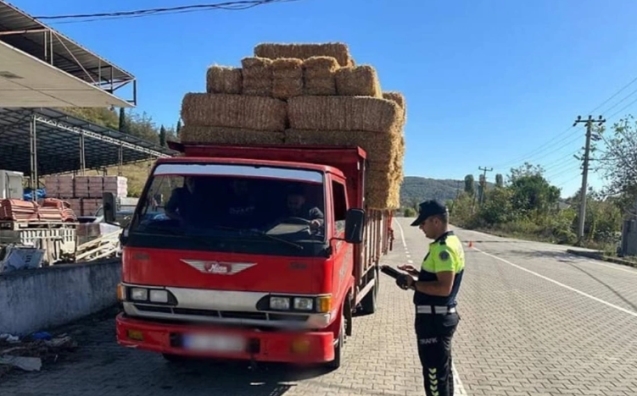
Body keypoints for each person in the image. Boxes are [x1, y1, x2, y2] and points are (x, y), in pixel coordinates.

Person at [395, 200, 465, 396]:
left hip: (434, 322)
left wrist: (413, 283)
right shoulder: (449, 243)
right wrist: (418, 274)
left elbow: (443, 288)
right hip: (437, 318)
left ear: (435, 221)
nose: (420, 228)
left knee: (435, 378)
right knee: (443, 374)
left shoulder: (444, 249)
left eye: (422, 223)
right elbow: (438, 278)